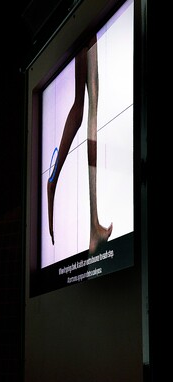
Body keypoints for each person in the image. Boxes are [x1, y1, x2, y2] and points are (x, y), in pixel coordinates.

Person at [47, 34, 113, 255]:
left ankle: (94, 225)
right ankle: (53, 180)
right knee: (81, 108)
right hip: (81, 25)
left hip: (87, 24)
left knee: (92, 106)